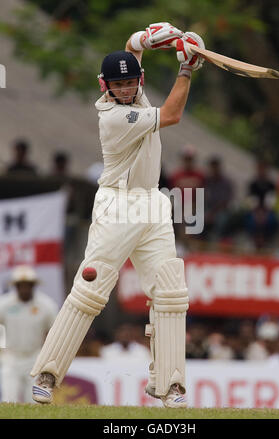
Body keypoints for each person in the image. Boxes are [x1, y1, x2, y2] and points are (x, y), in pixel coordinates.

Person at [30, 22, 205, 408]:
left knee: (170, 291)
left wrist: (146, 39)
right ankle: (48, 373)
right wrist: (186, 67)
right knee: (91, 289)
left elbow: (129, 47)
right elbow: (173, 114)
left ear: (139, 80)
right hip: (117, 204)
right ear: (103, 85)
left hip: (153, 204)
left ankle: (170, 384)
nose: (125, 90)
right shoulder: (114, 117)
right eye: (117, 84)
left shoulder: (137, 95)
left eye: (131, 83)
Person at [0, 265, 58, 403]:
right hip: (11, 357)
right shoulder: (4, 304)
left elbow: (54, 332)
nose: (25, 289)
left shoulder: (46, 305)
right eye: (21, 285)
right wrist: (2, 350)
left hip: (35, 358)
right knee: (9, 400)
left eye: (28, 285)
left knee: (35, 401)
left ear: (33, 286)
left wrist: (47, 355)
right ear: (16, 286)